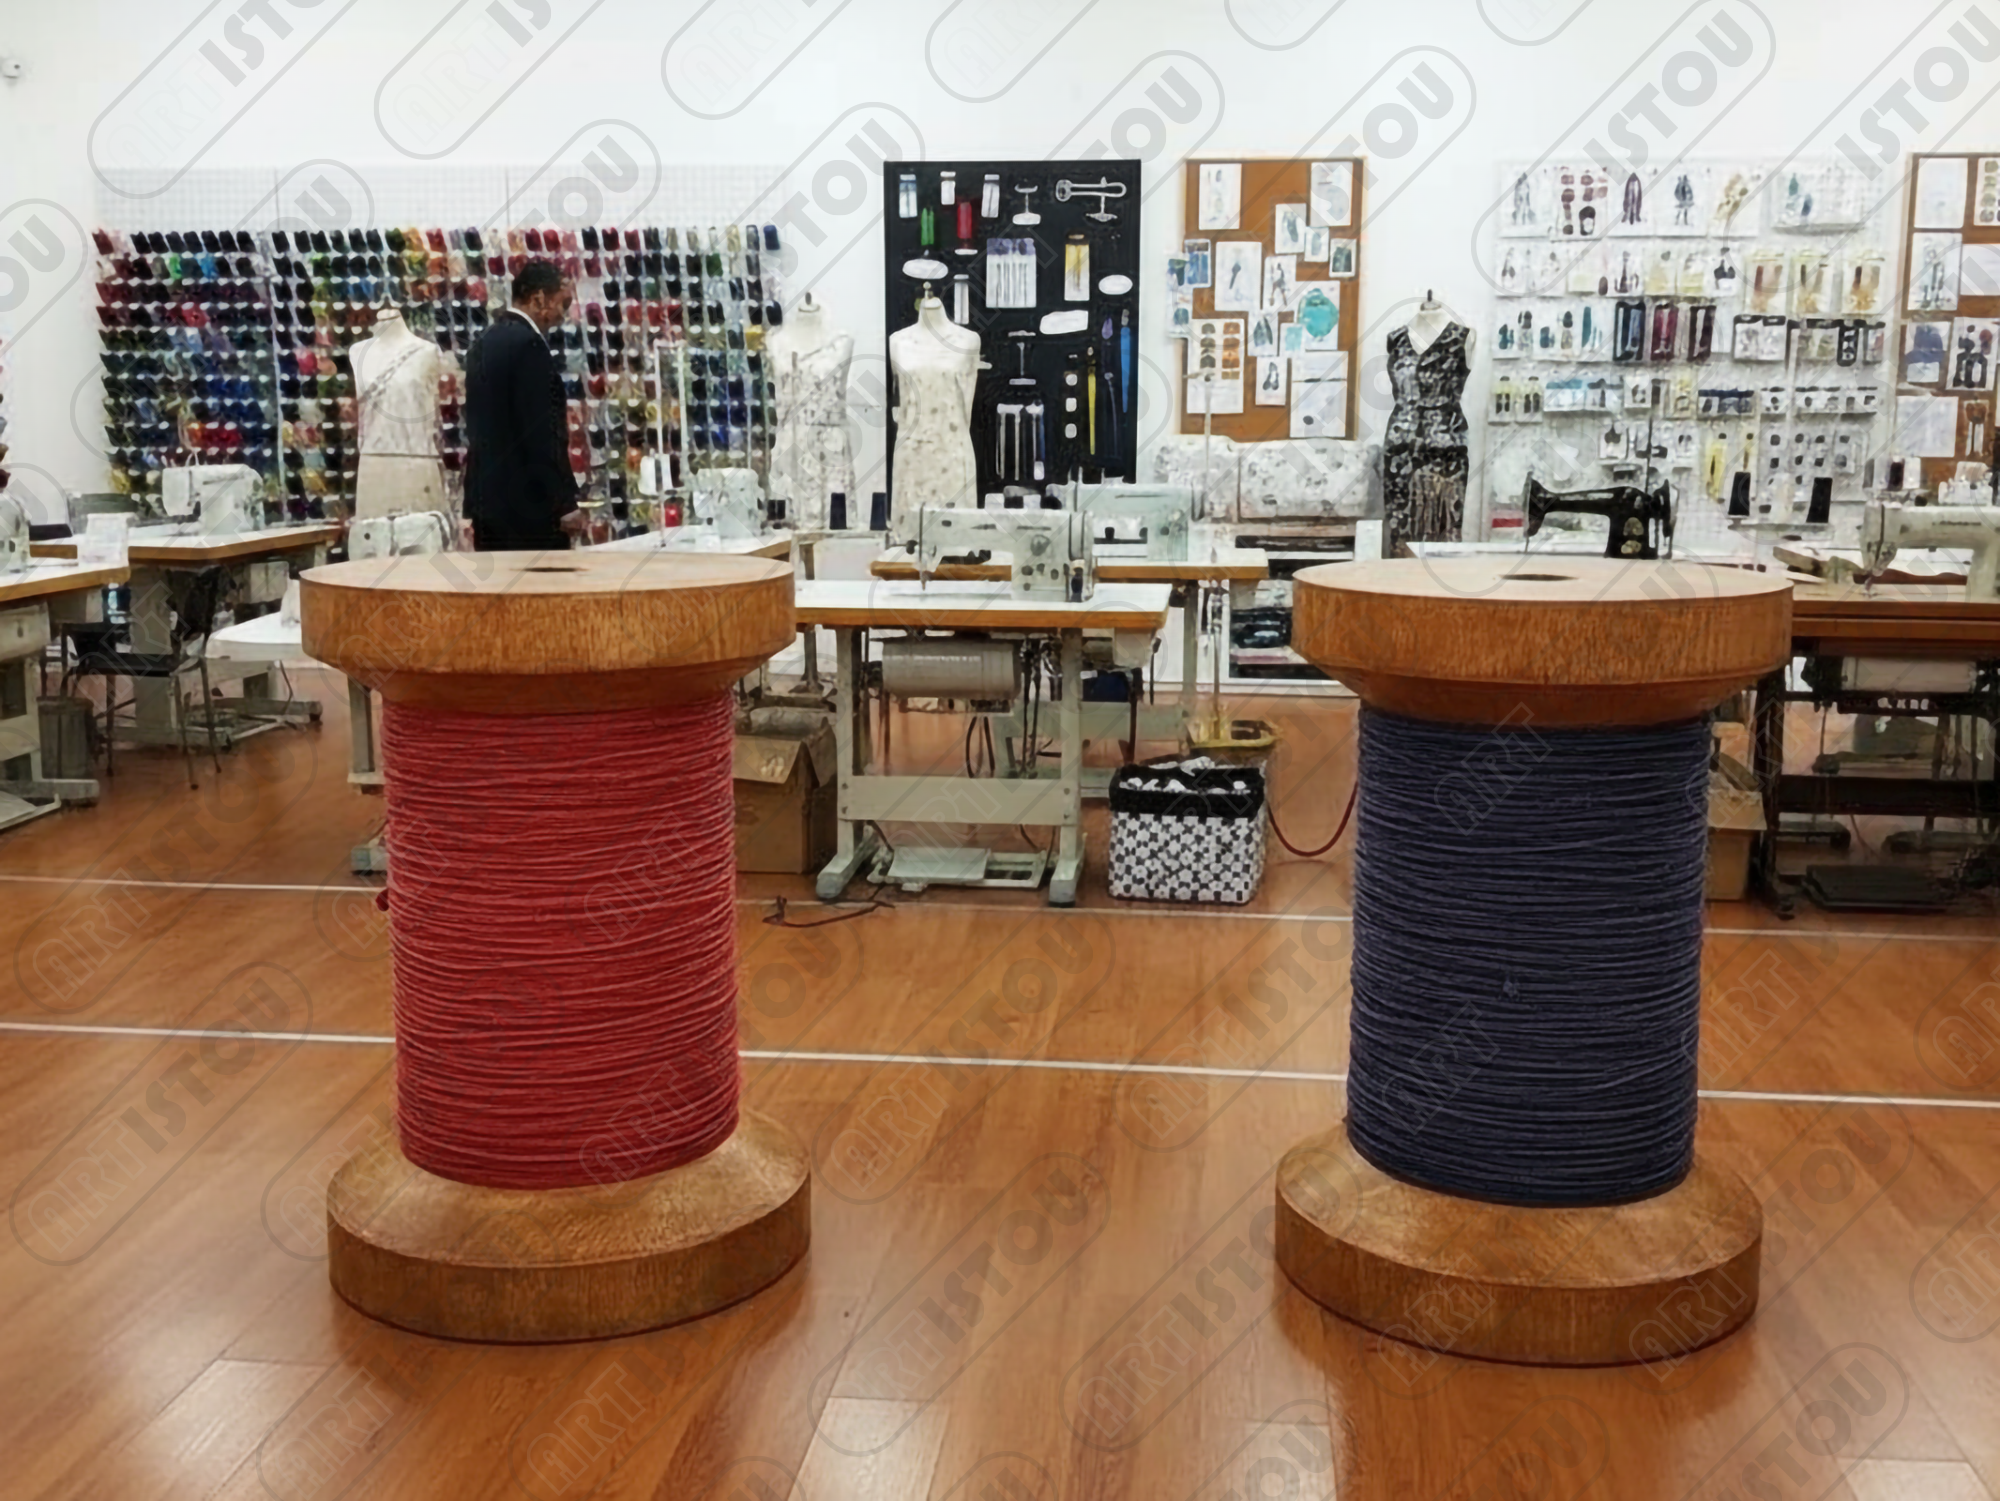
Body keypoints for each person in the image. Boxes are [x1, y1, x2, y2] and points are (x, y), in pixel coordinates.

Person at [463, 259, 583, 551]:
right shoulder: (529, 346)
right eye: (561, 304)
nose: (562, 315)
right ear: (539, 298)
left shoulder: (484, 342)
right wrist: (564, 502)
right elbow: (541, 433)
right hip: (529, 508)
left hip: (487, 506)